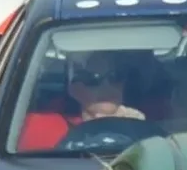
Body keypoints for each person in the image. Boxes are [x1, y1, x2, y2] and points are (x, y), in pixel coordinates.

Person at [18, 53, 147, 152]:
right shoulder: (39, 127)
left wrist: (134, 126)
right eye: (93, 79)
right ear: (74, 89)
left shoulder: (144, 128)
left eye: (115, 77)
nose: (107, 86)